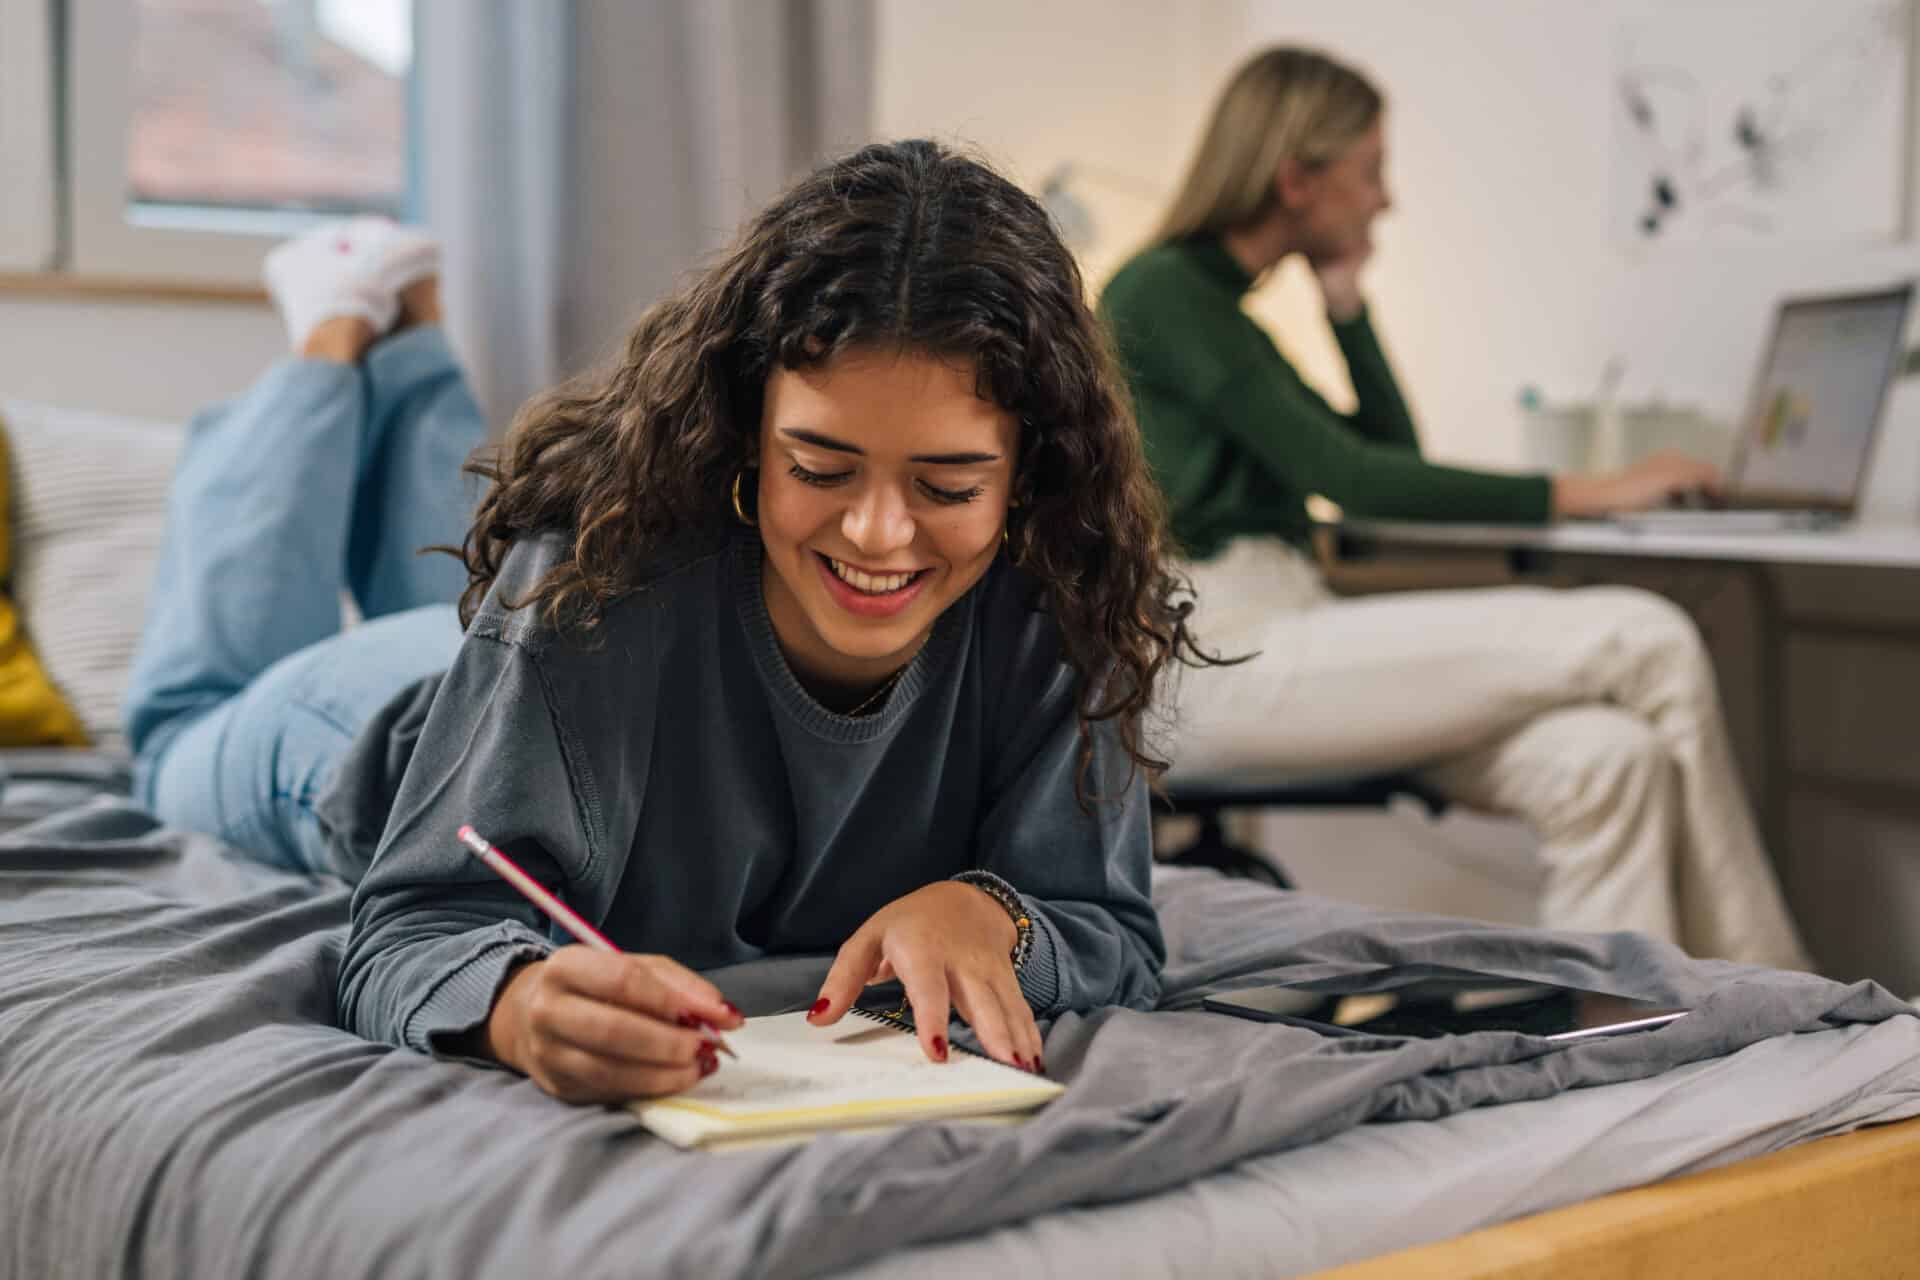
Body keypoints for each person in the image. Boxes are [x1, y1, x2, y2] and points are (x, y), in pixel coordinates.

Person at [124, 140, 1193, 1104]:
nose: (879, 533)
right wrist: (514, 1004)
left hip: (519, 679)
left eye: (949, 486)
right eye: (819, 468)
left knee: (460, 593)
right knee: (183, 718)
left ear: (1031, 475)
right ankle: (335, 330)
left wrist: (991, 912)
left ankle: (414, 342)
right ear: (745, 437)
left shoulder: (1067, 587)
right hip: (375, 732)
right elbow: (414, 927)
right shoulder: (597, 580)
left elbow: (1108, 930)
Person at [1098, 46, 1811, 971]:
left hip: (1281, 633)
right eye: (1372, 172)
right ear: (1296, 178)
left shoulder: (1224, 313)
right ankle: (1772, 989)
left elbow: (1387, 457)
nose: (1384, 200)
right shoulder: (1164, 293)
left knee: (1606, 759)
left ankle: (1632, 1028)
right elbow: (1357, 479)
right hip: (1209, 654)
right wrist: (1594, 492)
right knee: (1649, 636)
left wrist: (1345, 302)